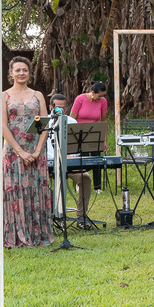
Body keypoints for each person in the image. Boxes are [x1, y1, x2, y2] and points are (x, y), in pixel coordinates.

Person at [1, 57, 52, 247]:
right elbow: (4, 127)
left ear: (29, 73)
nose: (21, 73)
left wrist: (38, 150)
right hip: (14, 152)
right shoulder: (4, 96)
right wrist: (20, 152)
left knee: (36, 190)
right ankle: (16, 234)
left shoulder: (37, 95)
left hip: (36, 151)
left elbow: (43, 125)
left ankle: (38, 233)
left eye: (25, 70)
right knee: (16, 191)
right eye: (17, 70)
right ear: (11, 73)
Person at [46, 92, 92, 225]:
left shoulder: (72, 121)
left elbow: (77, 146)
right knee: (44, 184)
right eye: (57, 107)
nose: (61, 110)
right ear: (51, 107)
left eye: (64, 107)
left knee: (85, 178)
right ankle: (52, 215)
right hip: (50, 164)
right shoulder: (45, 122)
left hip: (69, 163)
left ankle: (81, 217)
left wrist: (74, 154)